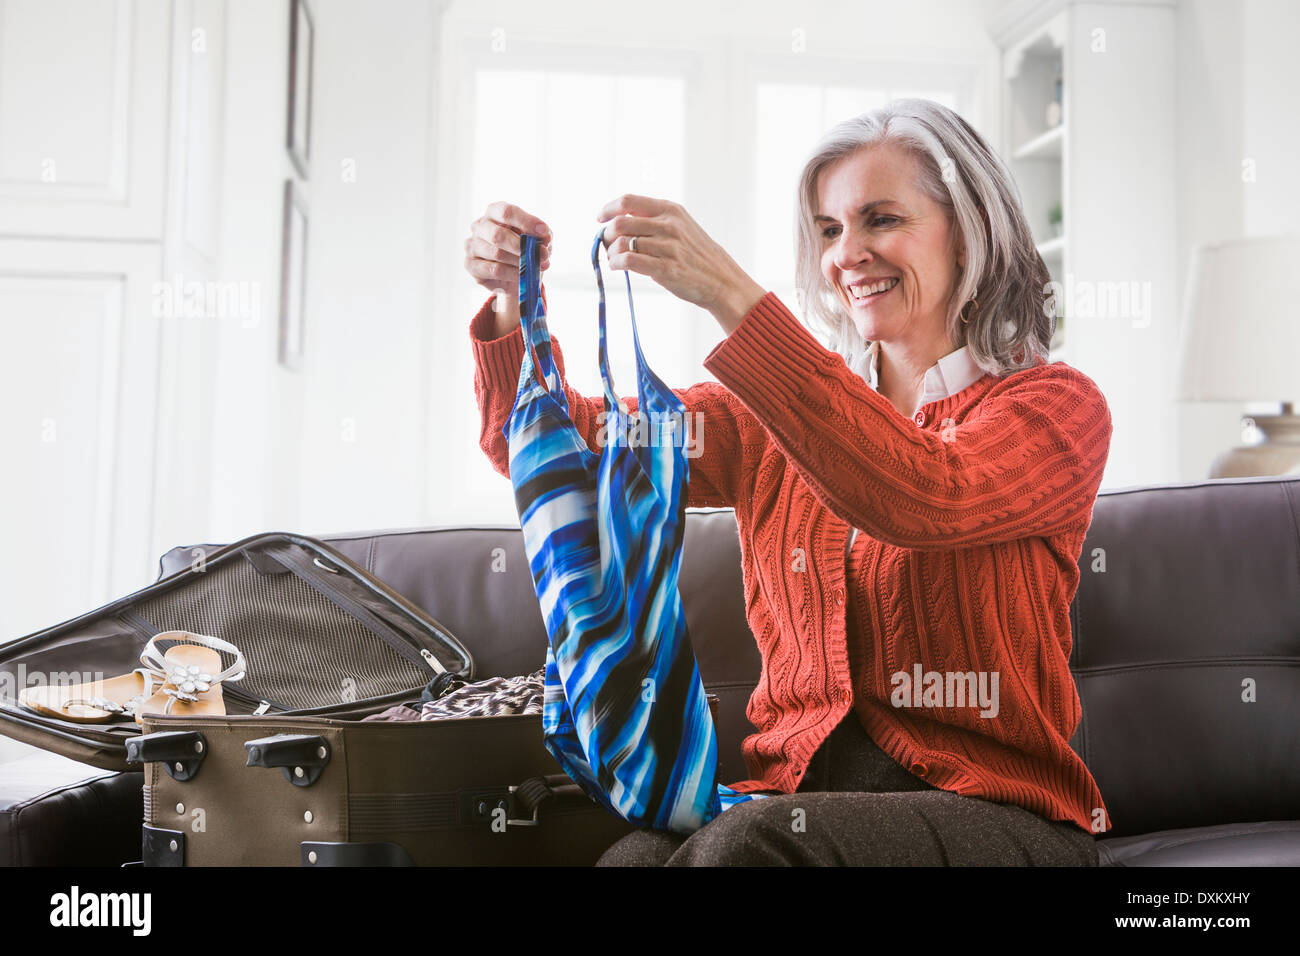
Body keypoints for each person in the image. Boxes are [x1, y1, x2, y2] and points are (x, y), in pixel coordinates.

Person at [462, 98, 1110, 866]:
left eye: (881, 219)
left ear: (967, 233)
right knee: (633, 858)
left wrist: (731, 297)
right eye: (829, 230)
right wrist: (513, 304)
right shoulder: (763, 419)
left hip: (995, 811)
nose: (847, 254)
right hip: (800, 799)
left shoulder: (1054, 408)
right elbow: (556, 452)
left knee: (746, 848)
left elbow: (923, 494)